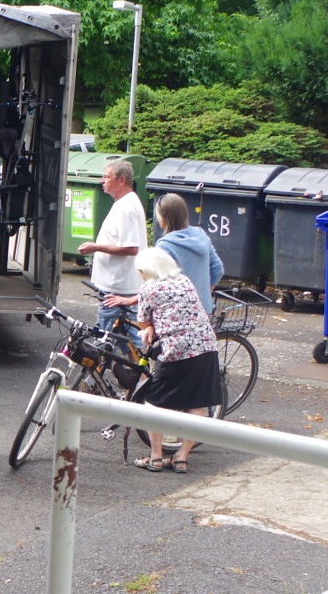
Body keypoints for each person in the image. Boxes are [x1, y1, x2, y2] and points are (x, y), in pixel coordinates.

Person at [131, 247, 222, 473]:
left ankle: (156, 457)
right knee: (196, 403)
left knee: (154, 403)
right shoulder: (184, 281)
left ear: (146, 270)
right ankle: (181, 457)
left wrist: (149, 327)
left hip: (176, 351)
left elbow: (143, 321)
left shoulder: (148, 288)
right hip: (205, 346)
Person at [77, 159, 147, 343]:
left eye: (107, 177)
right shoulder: (124, 203)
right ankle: (141, 362)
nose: (102, 181)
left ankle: (143, 359)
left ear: (121, 180)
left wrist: (95, 247)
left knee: (103, 338)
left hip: (117, 286)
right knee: (127, 338)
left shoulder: (126, 208)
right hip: (119, 284)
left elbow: (131, 248)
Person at [151, 193, 224, 313]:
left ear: (163, 218)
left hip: (177, 314)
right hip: (203, 310)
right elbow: (218, 269)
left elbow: (157, 286)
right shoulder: (200, 235)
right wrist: (204, 292)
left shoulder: (165, 245)